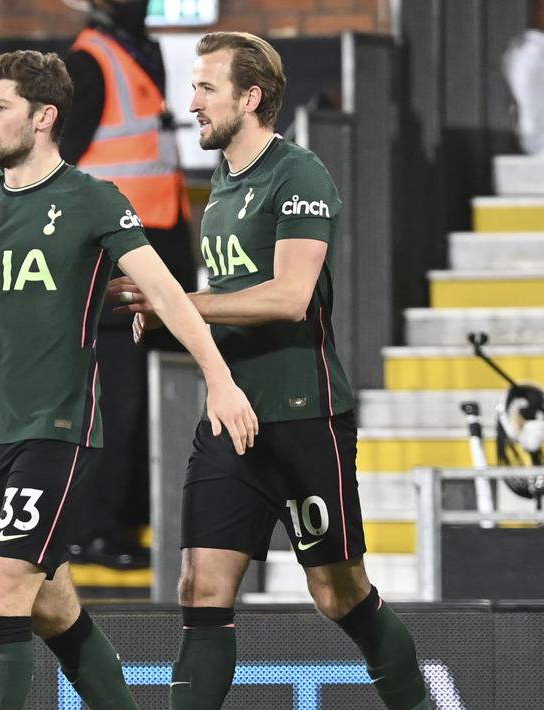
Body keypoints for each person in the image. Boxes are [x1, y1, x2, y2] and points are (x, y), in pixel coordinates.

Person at [0, 49, 257, 710]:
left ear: (44, 117)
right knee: (52, 609)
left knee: (0, 585)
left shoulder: (91, 200)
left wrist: (219, 381)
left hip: (57, 432)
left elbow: (168, 295)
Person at [111, 31, 432, 710]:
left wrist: (179, 303)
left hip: (303, 417)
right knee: (200, 589)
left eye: (205, 88)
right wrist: (170, 310)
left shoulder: (299, 174)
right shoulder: (222, 185)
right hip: (229, 421)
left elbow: (289, 297)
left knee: (337, 594)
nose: (189, 102)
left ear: (249, 98)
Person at [61, 0, 196, 568]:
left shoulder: (138, 52)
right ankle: (95, 530)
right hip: (112, 254)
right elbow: (59, 164)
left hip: (158, 249)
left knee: (144, 400)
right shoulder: (89, 63)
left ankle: (129, 521)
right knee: (113, 402)